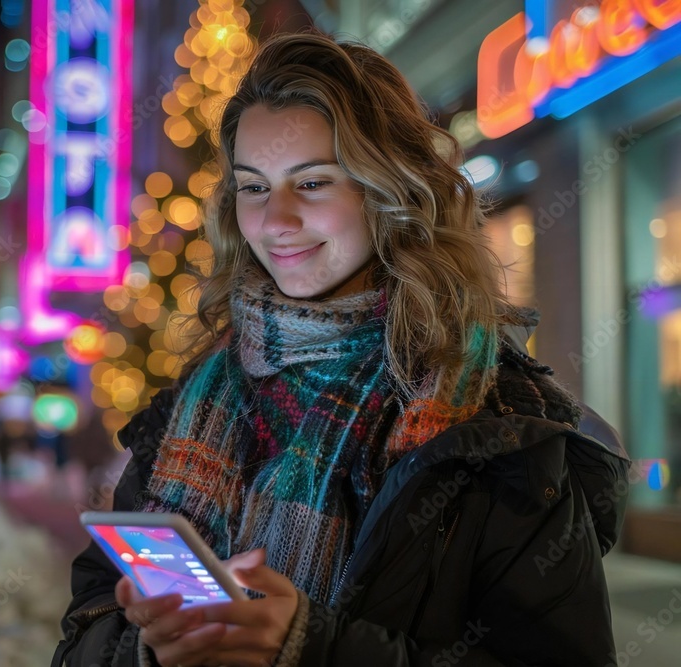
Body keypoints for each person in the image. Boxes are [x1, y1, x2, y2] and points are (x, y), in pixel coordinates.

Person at [52, 32, 629, 667]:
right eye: (253, 187)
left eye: (314, 182)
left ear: (390, 192)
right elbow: (86, 623)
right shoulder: (195, 398)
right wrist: (148, 646)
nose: (275, 220)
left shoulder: (500, 428)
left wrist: (310, 647)